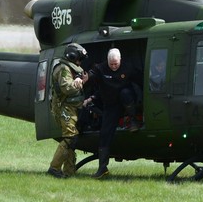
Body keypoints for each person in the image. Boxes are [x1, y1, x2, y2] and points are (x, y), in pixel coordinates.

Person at [88, 48, 140, 179]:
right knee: (104, 134)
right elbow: (92, 73)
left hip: (126, 101)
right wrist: (83, 78)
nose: (113, 66)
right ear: (108, 61)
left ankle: (133, 119)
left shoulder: (128, 68)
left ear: (120, 60)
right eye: (111, 64)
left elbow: (140, 79)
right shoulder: (101, 68)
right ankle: (102, 168)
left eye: (116, 64)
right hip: (110, 106)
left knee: (126, 93)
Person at [48, 43, 88, 178]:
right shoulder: (63, 68)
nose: (79, 62)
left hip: (71, 108)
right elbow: (67, 88)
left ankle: (69, 172)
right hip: (64, 108)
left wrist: (81, 80)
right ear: (72, 56)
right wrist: (78, 82)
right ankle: (54, 168)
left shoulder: (70, 68)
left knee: (72, 138)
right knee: (70, 138)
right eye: (79, 59)